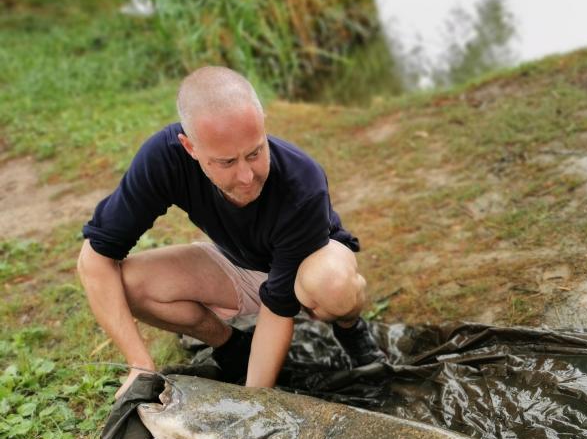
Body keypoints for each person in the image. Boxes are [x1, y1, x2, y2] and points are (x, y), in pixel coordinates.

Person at [77, 66, 384, 398]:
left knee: (332, 286)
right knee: (128, 284)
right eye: (226, 162)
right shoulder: (164, 158)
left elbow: (277, 309)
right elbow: (94, 258)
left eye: (255, 153)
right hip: (239, 261)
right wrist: (140, 365)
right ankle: (230, 345)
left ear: (262, 123)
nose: (246, 176)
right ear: (190, 148)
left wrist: (253, 403)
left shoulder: (302, 181)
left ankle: (350, 329)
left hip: (309, 265)